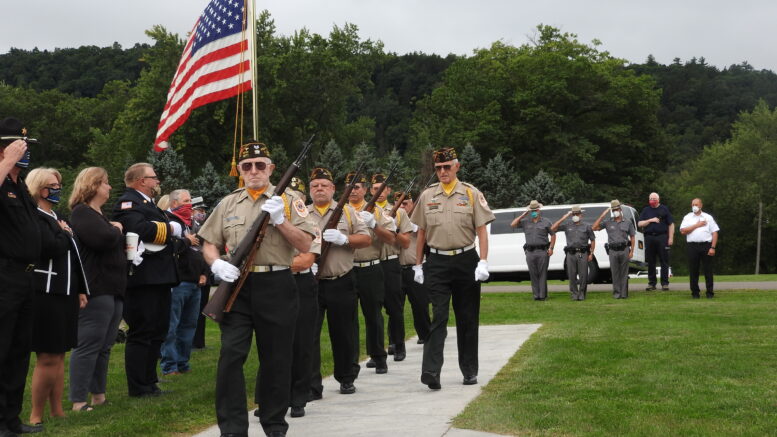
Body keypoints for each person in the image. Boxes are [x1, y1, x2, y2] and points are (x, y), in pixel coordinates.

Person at [197, 142, 315, 437]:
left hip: (276, 285)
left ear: (271, 169)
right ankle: (232, 428)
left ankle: (274, 425)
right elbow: (209, 242)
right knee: (230, 356)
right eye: (247, 166)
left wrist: (281, 221)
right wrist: (215, 265)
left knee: (276, 359)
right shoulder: (228, 203)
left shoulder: (289, 200)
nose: (253, 171)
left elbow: (305, 243)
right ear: (239, 171)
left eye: (260, 165)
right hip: (237, 287)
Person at [411, 147, 494, 390]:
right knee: (439, 316)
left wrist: (483, 261)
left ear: (456, 166)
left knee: (467, 317)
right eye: (438, 168)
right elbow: (422, 234)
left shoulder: (470, 193)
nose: (443, 172)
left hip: (466, 259)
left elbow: (481, 229)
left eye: (447, 167)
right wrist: (417, 265)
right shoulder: (427, 196)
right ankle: (431, 372)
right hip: (436, 262)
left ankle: (469, 370)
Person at [112, 163, 181, 398]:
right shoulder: (128, 202)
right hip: (143, 278)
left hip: (159, 277)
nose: (157, 181)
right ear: (142, 180)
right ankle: (138, 386)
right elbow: (139, 229)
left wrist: (164, 229)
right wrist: (170, 229)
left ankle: (150, 381)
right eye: (154, 178)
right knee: (142, 331)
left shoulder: (146, 203)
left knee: (158, 330)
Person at [253, 176, 320, 419]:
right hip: (272, 284)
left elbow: (305, 260)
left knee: (301, 342)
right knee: (270, 344)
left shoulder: (309, 224)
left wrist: (276, 265)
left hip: (299, 284)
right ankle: (266, 397)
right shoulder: (264, 218)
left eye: (297, 198)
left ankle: (298, 396)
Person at [26, 168, 89, 425]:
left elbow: (75, 257)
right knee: (48, 356)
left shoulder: (58, 216)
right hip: (46, 293)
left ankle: (57, 411)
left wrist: (82, 289)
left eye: (59, 184)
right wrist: (65, 233)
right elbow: (49, 247)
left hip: (66, 292)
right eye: (52, 184)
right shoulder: (35, 217)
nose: (58, 189)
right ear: (40, 188)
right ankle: (35, 415)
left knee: (61, 353)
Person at [307, 167, 370, 399]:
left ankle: (346, 378)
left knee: (344, 333)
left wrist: (345, 239)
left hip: (340, 280)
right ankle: (312, 385)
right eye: (315, 186)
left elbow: (365, 239)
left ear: (333, 189)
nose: (319, 189)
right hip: (310, 282)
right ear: (310, 190)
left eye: (324, 185)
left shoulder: (348, 212)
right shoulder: (301, 212)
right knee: (308, 335)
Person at [68, 167, 127, 411]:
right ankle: (78, 400)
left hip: (113, 288)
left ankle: (98, 395)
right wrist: (117, 228)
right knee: (89, 344)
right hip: (96, 287)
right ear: (93, 185)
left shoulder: (98, 213)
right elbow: (102, 240)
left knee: (105, 345)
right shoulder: (82, 213)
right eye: (105, 183)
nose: (109, 187)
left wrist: (112, 227)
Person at [0, 117, 44, 437]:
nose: (25, 151)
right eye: (19, 145)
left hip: (26, 278)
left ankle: (11, 421)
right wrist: (7, 162)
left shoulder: (19, 185)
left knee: (18, 353)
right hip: (4, 277)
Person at [348, 172, 396, 373]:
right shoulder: (342, 211)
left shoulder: (376, 211)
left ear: (365, 190)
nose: (353, 190)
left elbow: (391, 238)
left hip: (370, 267)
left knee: (373, 315)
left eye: (357, 187)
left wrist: (374, 225)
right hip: (348, 270)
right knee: (348, 320)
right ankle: (350, 363)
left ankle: (378, 356)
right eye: (349, 187)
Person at [160, 189, 207, 376]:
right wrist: (185, 241)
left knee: (189, 325)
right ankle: (170, 366)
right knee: (172, 326)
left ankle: (182, 362)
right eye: (186, 201)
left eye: (190, 201)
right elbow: (170, 250)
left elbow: (199, 251)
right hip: (177, 282)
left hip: (195, 282)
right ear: (174, 204)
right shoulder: (170, 223)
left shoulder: (189, 224)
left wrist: (204, 273)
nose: (190, 205)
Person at [372, 173, 413, 361]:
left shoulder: (399, 212)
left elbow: (405, 243)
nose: (378, 192)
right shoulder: (365, 211)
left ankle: (398, 344)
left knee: (394, 307)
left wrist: (392, 227)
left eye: (382, 188)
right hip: (371, 263)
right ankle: (376, 351)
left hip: (390, 262)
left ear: (388, 190)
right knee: (373, 310)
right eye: (374, 189)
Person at [395, 192, 431, 344]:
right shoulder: (393, 219)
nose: (402, 206)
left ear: (413, 204)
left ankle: (426, 335)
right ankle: (396, 341)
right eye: (399, 204)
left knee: (420, 305)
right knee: (395, 308)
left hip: (415, 268)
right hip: (396, 269)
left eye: (405, 203)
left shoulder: (419, 220)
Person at [510, 200, 556, 301]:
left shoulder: (546, 222)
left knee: (542, 273)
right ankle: (536, 295)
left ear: (539, 210)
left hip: (543, 251)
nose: (534, 212)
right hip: (530, 252)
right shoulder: (526, 222)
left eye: (535, 210)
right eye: (532, 210)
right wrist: (523, 215)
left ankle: (543, 295)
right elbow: (513, 225)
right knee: (533, 274)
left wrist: (551, 248)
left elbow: (553, 235)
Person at [551, 205, 595, 301]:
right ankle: (574, 294)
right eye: (574, 214)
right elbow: (553, 228)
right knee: (572, 274)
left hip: (583, 253)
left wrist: (591, 253)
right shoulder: (567, 225)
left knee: (583, 275)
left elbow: (592, 240)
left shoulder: (587, 226)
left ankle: (582, 293)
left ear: (581, 215)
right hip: (570, 254)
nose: (575, 215)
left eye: (577, 214)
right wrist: (565, 217)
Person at [593, 200, 635, 299]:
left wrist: (632, 251)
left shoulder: (627, 222)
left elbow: (632, 237)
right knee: (614, 273)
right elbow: (594, 227)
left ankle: (624, 294)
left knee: (624, 273)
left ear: (620, 209)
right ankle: (617, 294)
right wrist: (602, 215)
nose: (615, 211)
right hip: (612, 250)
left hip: (624, 249)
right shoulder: (608, 222)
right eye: (613, 210)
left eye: (616, 209)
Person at [679, 198, 720, 299]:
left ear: (701, 205)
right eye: (693, 204)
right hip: (692, 246)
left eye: (696, 204)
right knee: (693, 271)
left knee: (708, 270)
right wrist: (698, 225)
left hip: (706, 245)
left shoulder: (708, 217)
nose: (694, 206)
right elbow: (683, 231)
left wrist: (713, 247)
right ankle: (695, 293)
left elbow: (715, 232)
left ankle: (710, 293)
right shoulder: (687, 217)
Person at [638, 192, 674, 291]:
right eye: (650, 198)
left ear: (658, 199)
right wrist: (650, 220)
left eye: (654, 199)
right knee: (651, 262)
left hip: (662, 237)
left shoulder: (664, 209)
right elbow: (640, 223)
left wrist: (670, 238)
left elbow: (671, 224)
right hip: (649, 238)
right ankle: (652, 284)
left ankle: (665, 284)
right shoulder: (646, 210)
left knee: (664, 261)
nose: (652, 200)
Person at [190, 198, 210, 350]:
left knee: (201, 309)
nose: (202, 214)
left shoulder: (202, 225)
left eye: (203, 211)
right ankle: (193, 342)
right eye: (199, 211)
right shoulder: (191, 227)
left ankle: (199, 342)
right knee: (193, 311)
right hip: (196, 271)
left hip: (205, 269)